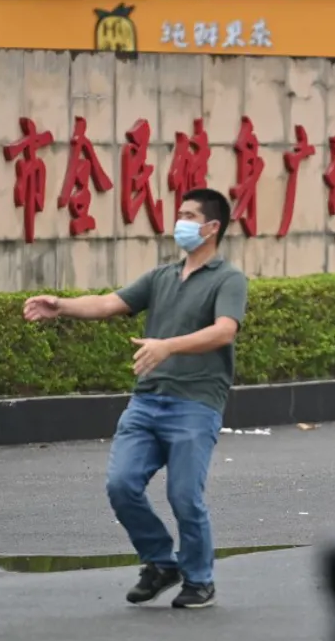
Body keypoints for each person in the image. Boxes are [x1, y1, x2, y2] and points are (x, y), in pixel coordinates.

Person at [23, 188, 247, 610]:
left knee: (184, 497)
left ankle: (199, 579)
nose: (178, 221)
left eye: (188, 214)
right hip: (146, 402)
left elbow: (224, 331)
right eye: (179, 212)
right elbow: (110, 302)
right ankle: (161, 562)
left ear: (212, 227)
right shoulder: (162, 277)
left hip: (195, 403)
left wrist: (168, 346)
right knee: (121, 484)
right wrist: (62, 306)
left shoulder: (227, 278)